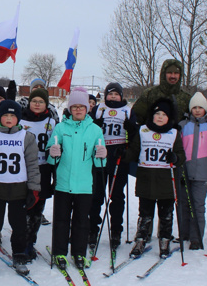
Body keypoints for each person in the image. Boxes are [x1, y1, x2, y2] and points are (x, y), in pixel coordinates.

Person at [0, 100, 40, 275]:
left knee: (19, 225)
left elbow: (33, 165)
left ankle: (19, 255)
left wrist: (34, 189)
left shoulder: (26, 137)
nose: (9, 118)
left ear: (18, 118)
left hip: (19, 189)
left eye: (13, 115)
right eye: (5, 115)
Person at [47, 86, 106, 269]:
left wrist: (102, 156)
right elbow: (51, 158)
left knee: (82, 220)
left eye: (82, 106)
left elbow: (99, 165)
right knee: (61, 219)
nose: (78, 110)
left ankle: (79, 253)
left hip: (84, 185)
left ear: (87, 108)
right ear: (70, 109)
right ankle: (59, 252)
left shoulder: (95, 130)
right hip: (63, 183)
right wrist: (53, 152)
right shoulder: (60, 127)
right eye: (75, 107)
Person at [125, 98, 186, 259]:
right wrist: (123, 155)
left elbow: (181, 156)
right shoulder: (143, 131)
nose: (160, 117)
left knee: (166, 213)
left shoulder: (173, 133)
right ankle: (141, 239)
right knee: (145, 213)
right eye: (157, 113)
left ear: (169, 117)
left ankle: (164, 239)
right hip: (146, 178)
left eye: (164, 114)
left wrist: (175, 157)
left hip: (166, 179)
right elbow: (134, 150)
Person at [89, 82, 134, 252]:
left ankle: (116, 230)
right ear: (105, 95)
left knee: (116, 196)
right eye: (110, 94)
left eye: (116, 94)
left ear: (121, 96)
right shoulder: (99, 108)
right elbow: (89, 128)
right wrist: (95, 124)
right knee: (96, 195)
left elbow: (133, 135)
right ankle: (92, 228)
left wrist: (130, 138)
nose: (113, 97)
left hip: (118, 156)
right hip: (100, 154)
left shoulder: (128, 110)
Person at [177, 92, 207, 250]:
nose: (197, 110)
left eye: (200, 107)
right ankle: (184, 233)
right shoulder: (183, 125)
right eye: (194, 107)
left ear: (206, 109)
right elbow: (177, 147)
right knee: (183, 204)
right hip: (185, 171)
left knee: (197, 206)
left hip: (202, 172)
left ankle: (196, 238)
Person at [18, 88, 56, 260]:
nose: (37, 104)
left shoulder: (52, 121)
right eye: (34, 101)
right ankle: (20, 241)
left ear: (46, 104)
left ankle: (30, 242)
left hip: (44, 168)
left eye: (41, 102)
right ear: (30, 102)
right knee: (24, 207)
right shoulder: (21, 119)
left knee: (37, 209)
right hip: (24, 168)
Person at [130, 59, 192, 125]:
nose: (173, 76)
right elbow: (136, 117)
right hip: (152, 134)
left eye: (176, 73)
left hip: (177, 134)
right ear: (164, 74)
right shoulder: (149, 94)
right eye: (169, 73)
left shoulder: (187, 99)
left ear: (180, 75)